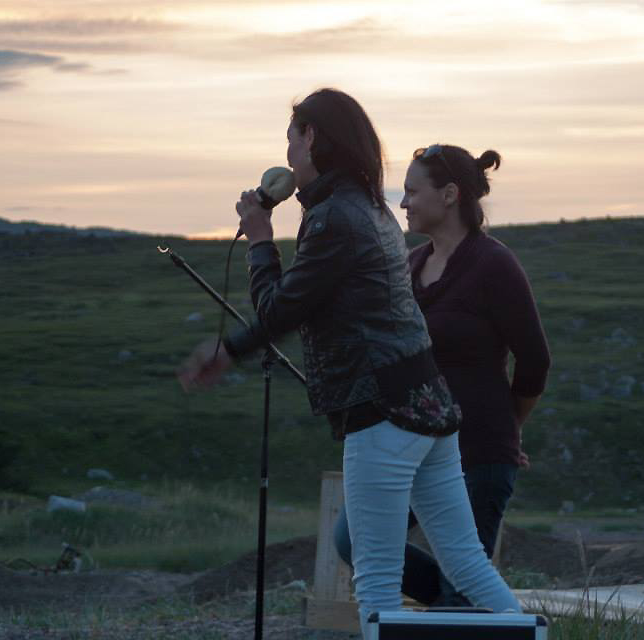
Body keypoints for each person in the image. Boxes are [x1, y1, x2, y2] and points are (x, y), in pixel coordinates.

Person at [176, 89, 521, 636]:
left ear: (312, 136)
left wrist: (261, 240)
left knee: (377, 581)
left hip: (382, 414)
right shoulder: (368, 208)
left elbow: (280, 309)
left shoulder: (335, 217)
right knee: (469, 567)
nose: (287, 153)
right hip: (428, 408)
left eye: (291, 139)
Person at [333, 143, 551, 605]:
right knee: (352, 540)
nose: (404, 202)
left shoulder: (494, 264)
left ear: (449, 195)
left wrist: (510, 430)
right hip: (412, 447)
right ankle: (459, 611)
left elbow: (535, 360)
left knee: (462, 584)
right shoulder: (410, 266)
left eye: (412, 191)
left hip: (478, 453)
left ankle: (464, 611)